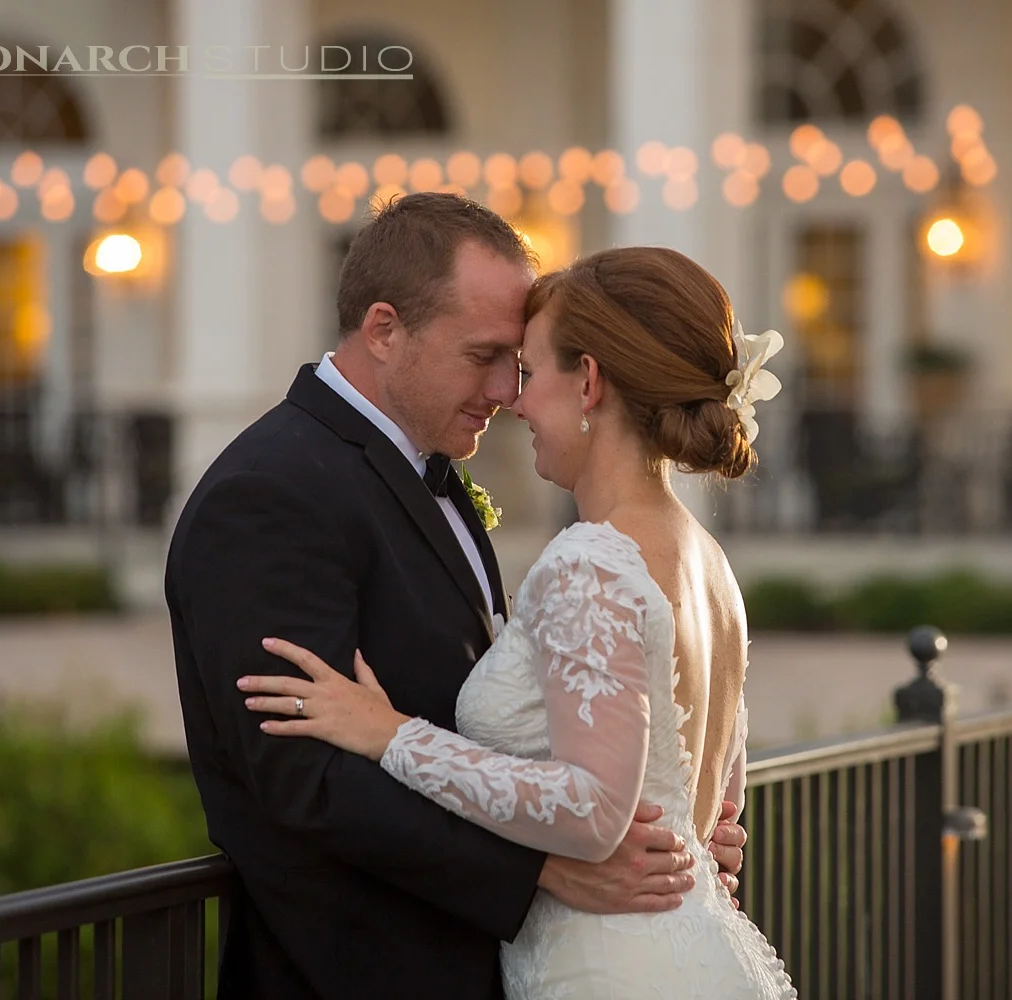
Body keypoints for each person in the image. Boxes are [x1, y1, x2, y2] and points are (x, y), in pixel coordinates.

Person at [165, 193, 747, 1000]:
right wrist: (543, 871)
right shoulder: (269, 493)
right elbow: (302, 778)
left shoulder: (461, 485)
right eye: (485, 355)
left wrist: (682, 826)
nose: (509, 390)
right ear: (382, 329)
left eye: (522, 361)